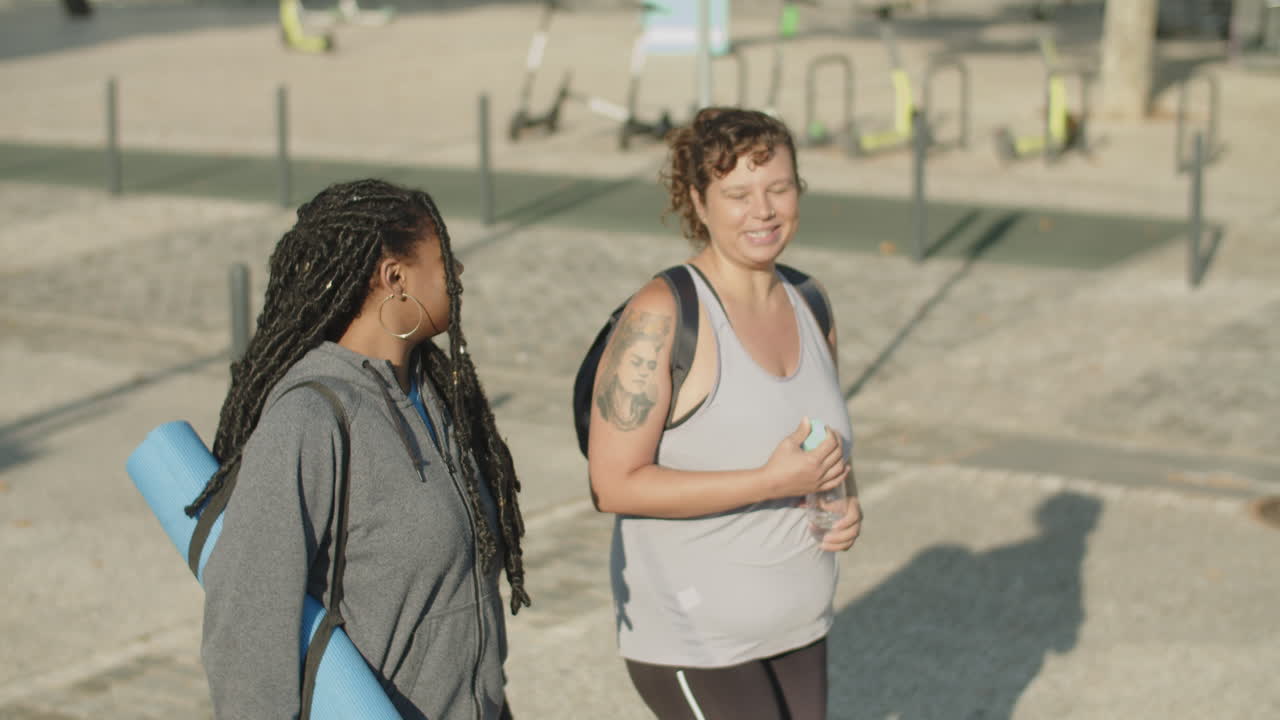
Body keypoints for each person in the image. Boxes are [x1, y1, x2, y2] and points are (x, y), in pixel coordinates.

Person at [191, 179, 528, 719]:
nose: (459, 273)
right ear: (395, 278)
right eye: (445, 260)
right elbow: (246, 629)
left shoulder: (435, 394)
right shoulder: (311, 417)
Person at [587, 107, 863, 720]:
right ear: (698, 202)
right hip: (695, 637)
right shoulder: (663, 315)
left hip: (798, 627)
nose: (763, 210)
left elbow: (822, 439)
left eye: (779, 188)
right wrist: (771, 482)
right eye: (738, 194)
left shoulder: (810, 301)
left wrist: (845, 496)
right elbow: (613, 484)